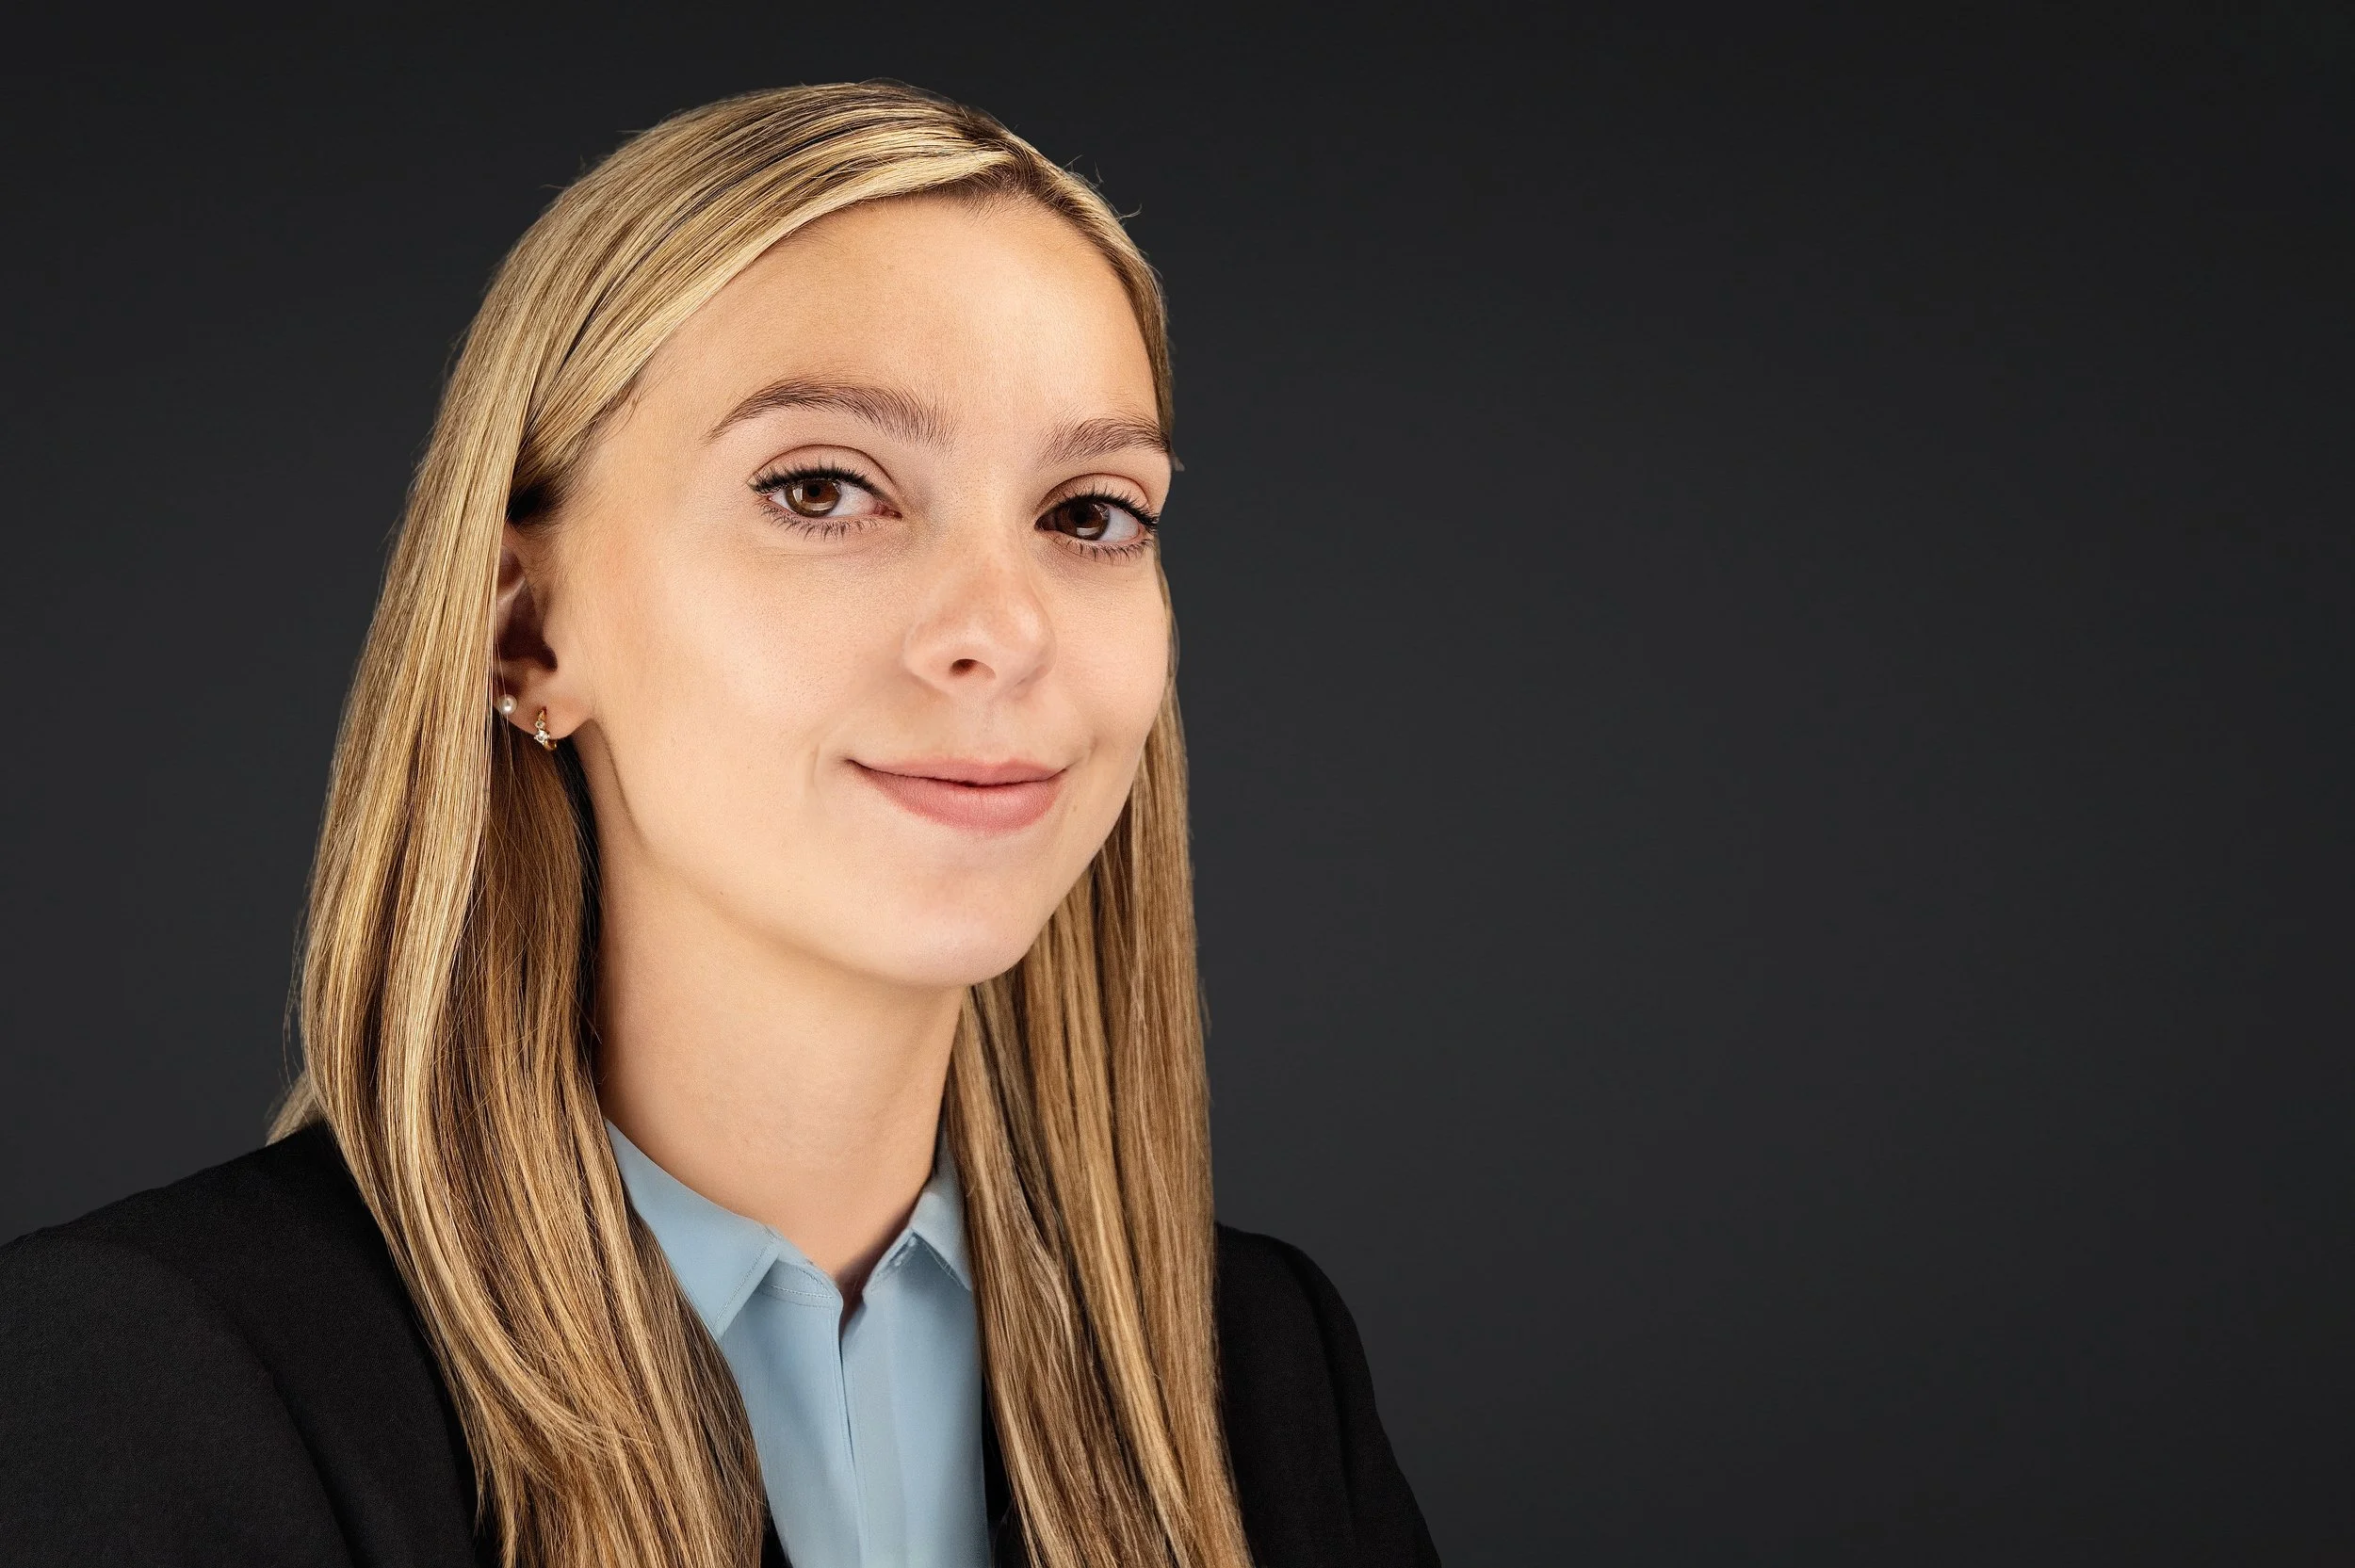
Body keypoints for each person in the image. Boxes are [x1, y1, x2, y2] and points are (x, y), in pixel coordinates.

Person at [0, 82, 1437, 1568]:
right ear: (523, 632)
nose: (1004, 632)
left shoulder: (1260, 1374)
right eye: (823, 488)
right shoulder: (144, 1381)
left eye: (1089, 514)